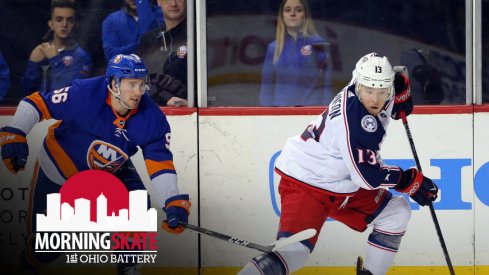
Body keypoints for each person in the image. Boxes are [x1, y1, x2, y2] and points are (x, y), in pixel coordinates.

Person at [238, 52, 439, 275]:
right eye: (369, 91)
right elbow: (366, 177)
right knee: (293, 253)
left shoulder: (368, 85)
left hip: (340, 182)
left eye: (382, 92)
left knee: (395, 212)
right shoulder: (355, 120)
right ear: (358, 86)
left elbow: (388, 72)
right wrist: (408, 180)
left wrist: (401, 86)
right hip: (308, 180)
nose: (374, 99)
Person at [0, 54, 190, 275]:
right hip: (60, 169)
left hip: (109, 169)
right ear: (113, 84)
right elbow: (37, 102)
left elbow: (160, 163)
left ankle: (128, 266)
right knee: (47, 247)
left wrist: (171, 200)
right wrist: (16, 131)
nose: (138, 92)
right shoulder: (85, 93)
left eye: (141, 84)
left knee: (138, 204)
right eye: (131, 85)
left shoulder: (153, 118)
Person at [260, 0, 333, 107]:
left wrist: (325, 112)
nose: (292, 14)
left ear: (305, 15)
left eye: (298, 10)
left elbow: (326, 84)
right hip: (281, 114)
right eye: (287, 10)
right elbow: (266, 88)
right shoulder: (273, 48)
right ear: (282, 16)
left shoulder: (318, 44)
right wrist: (267, 115)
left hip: (311, 113)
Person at [20, 0, 92, 95]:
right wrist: (33, 64)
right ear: (51, 24)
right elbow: (26, 91)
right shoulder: (42, 51)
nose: (64, 25)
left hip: (66, 109)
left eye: (70, 20)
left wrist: (55, 60)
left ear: (76, 24)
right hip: (40, 108)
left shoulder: (81, 56)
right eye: (59, 19)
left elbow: (73, 93)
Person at [138, 0, 188, 106]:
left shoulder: (202, 34)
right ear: (159, 2)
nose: (173, 4)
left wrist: (191, 104)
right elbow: (142, 83)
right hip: (157, 111)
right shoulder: (148, 39)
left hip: (190, 113)